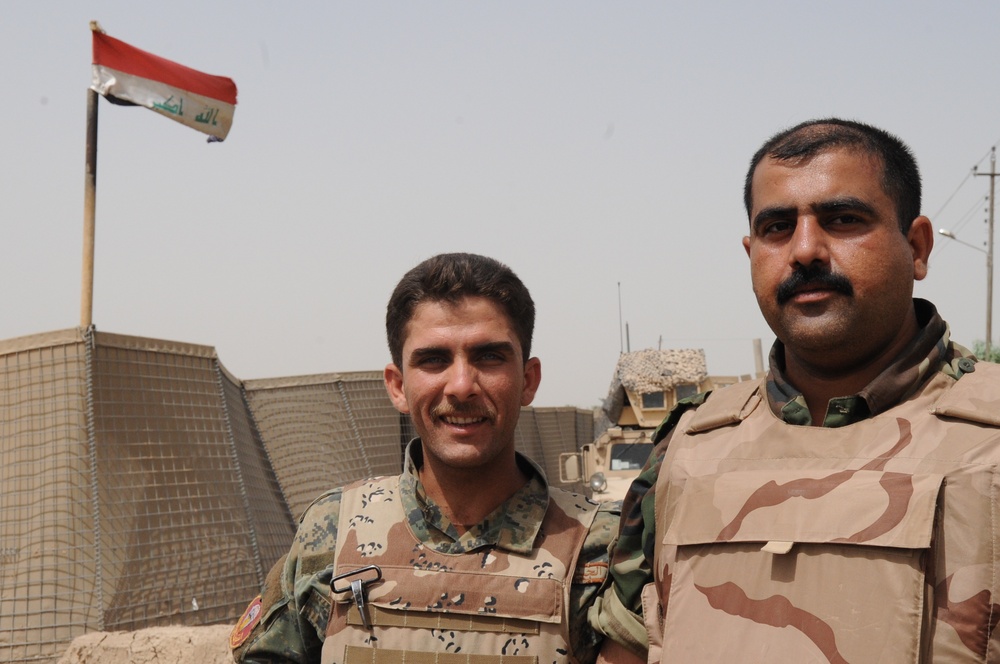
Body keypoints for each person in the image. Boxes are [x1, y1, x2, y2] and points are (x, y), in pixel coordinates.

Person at [592, 119, 1000, 662]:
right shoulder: (686, 447)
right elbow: (627, 648)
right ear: (751, 253)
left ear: (918, 246)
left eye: (844, 219)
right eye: (778, 228)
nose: (805, 250)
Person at [232, 252, 619, 664]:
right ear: (398, 386)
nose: (461, 385)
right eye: (434, 359)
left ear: (528, 380)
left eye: (488, 356)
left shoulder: (603, 550)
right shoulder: (331, 531)